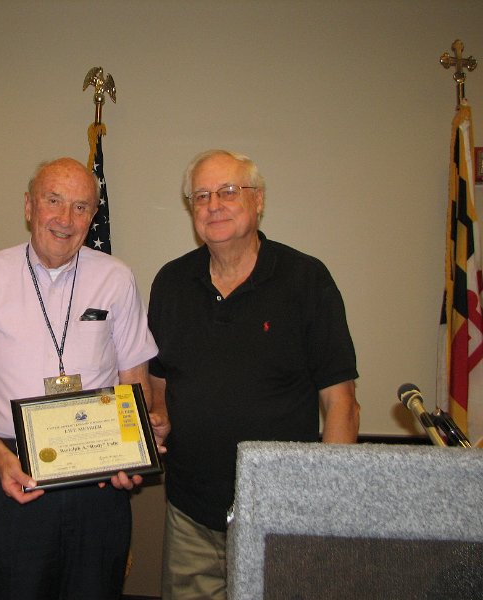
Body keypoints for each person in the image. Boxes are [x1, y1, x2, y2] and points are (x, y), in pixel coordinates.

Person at [0, 157, 166, 600]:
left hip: (98, 480)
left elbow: (133, 384)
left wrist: (131, 451)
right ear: (29, 206)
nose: (65, 219)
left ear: (93, 217)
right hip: (13, 474)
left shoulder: (116, 278)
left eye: (81, 207)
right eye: (53, 201)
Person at [148, 149, 360, 600]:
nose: (214, 205)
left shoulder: (306, 279)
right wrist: (158, 411)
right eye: (201, 196)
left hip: (281, 514)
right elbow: (159, 380)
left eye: (228, 191)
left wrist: (324, 501)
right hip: (190, 514)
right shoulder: (170, 282)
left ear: (258, 200)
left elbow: (340, 402)